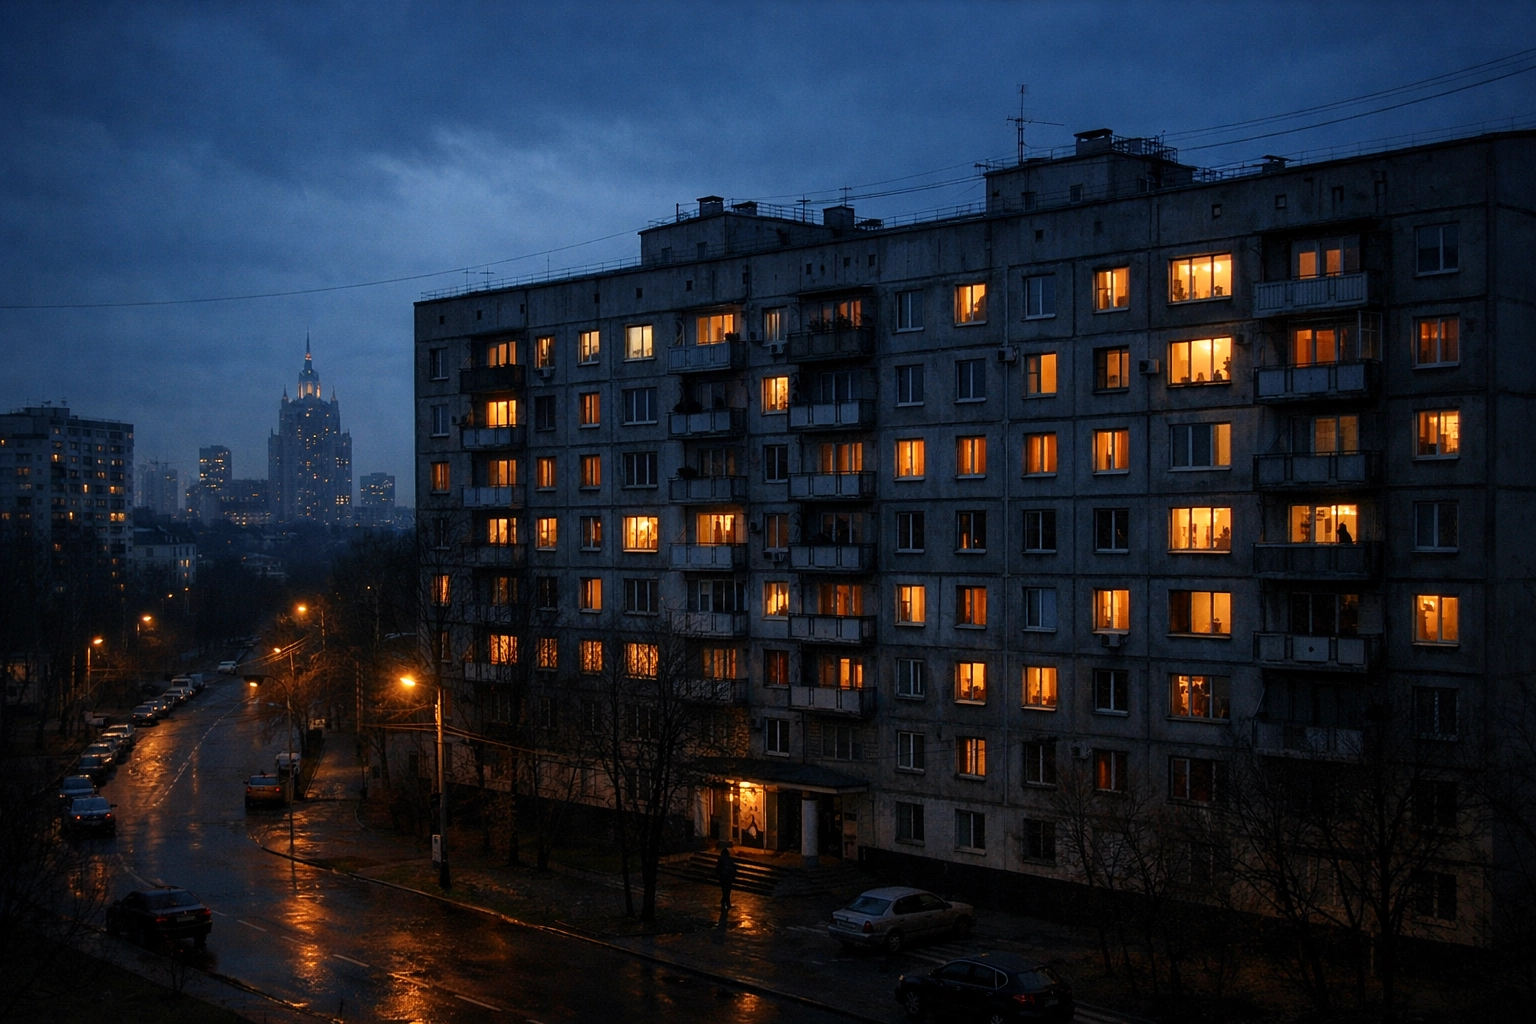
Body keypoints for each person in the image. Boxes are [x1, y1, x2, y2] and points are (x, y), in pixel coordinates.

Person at [716, 842, 737, 911]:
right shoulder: (729, 860)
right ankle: (725, 902)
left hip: (722, 877)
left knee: (724, 890)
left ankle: (726, 902)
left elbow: (718, 868)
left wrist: (717, 874)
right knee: (727, 891)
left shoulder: (720, 859)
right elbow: (733, 868)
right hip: (728, 877)